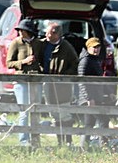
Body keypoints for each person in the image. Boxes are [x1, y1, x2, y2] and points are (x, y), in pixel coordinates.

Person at [6, 18, 44, 146]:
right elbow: (9, 63)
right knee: (24, 111)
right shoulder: (15, 43)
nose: (21, 32)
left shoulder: (39, 43)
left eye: (23, 30)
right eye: (19, 30)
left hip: (36, 80)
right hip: (21, 81)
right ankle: (23, 141)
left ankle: (36, 139)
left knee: (36, 110)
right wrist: (23, 61)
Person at [41, 22, 79, 146]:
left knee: (64, 113)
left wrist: (63, 76)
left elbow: (75, 64)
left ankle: (68, 141)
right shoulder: (42, 44)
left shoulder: (66, 47)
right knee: (53, 113)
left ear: (56, 34)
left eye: (48, 32)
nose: (45, 34)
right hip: (47, 83)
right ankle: (59, 142)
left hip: (63, 86)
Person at [77, 37, 108, 149]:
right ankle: (104, 146)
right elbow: (82, 81)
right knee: (103, 120)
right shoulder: (86, 61)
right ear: (88, 47)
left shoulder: (94, 60)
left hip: (95, 97)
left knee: (89, 124)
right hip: (90, 98)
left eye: (98, 47)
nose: (97, 49)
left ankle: (83, 147)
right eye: (94, 47)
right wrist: (89, 98)